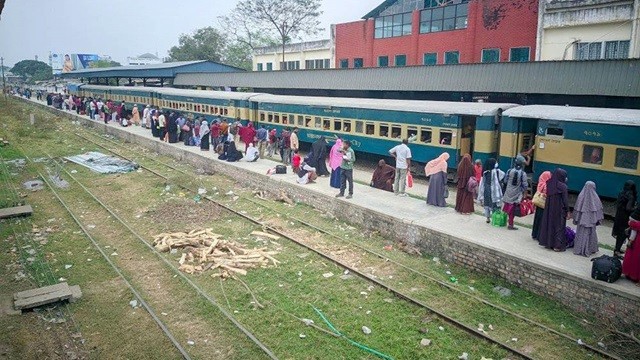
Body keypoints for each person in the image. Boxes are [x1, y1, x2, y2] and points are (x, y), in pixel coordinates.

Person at [538, 168, 570, 252]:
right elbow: (565, 200)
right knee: (559, 226)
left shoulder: (549, 184)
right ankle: (557, 246)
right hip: (559, 209)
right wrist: (568, 211)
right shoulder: (563, 186)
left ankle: (548, 243)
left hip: (549, 209)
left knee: (549, 224)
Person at [572, 181, 604, 257]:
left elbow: (577, 209)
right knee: (591, 234)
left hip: (581, 222)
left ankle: (579, 249)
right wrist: (598, 220)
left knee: (580, 234)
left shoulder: (581, 196)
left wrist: (576, 219)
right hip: (591, 222)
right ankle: (590, 249)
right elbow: (599, 210)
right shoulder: (595, 197)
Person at [501, 157, 529, 230]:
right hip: (516, 194)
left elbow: (505, 181)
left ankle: (506, 221)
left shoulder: (509, 171)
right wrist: (523, 192)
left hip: (508, 192)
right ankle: (510, 224)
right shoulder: (523, 173)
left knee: (508, 208)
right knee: (512, 210)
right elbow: (525, 185)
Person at [612, 181, 637, 257]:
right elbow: (628, 208)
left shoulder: (621, 193)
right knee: (623, 234)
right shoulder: (631, 196)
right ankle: (617, 251)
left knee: (619, 233)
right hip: (625, 218)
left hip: (619, 216)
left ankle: (617, 249)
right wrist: (635, 208)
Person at [477, 158, 504, 223]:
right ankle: (495, 219)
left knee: (487, 203)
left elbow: (482, 182)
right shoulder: (497, 171)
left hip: (486, 190)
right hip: (494, 191)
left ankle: (488, 218)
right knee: (495, 204)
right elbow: (503, 176)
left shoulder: (485, 172)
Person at [531, 171, 552, 240]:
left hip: (538, 203)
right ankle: (539, 235)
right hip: (543, 204)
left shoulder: (540, 183)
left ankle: (534, 234)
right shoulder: (547, 185)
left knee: (537, 219)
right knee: (542, 220)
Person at [622, 207, 640, 284]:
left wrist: (632, 224)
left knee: (635, 258)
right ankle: (630, 274)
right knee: (633, 257)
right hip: (637, 239)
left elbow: (635, 224)